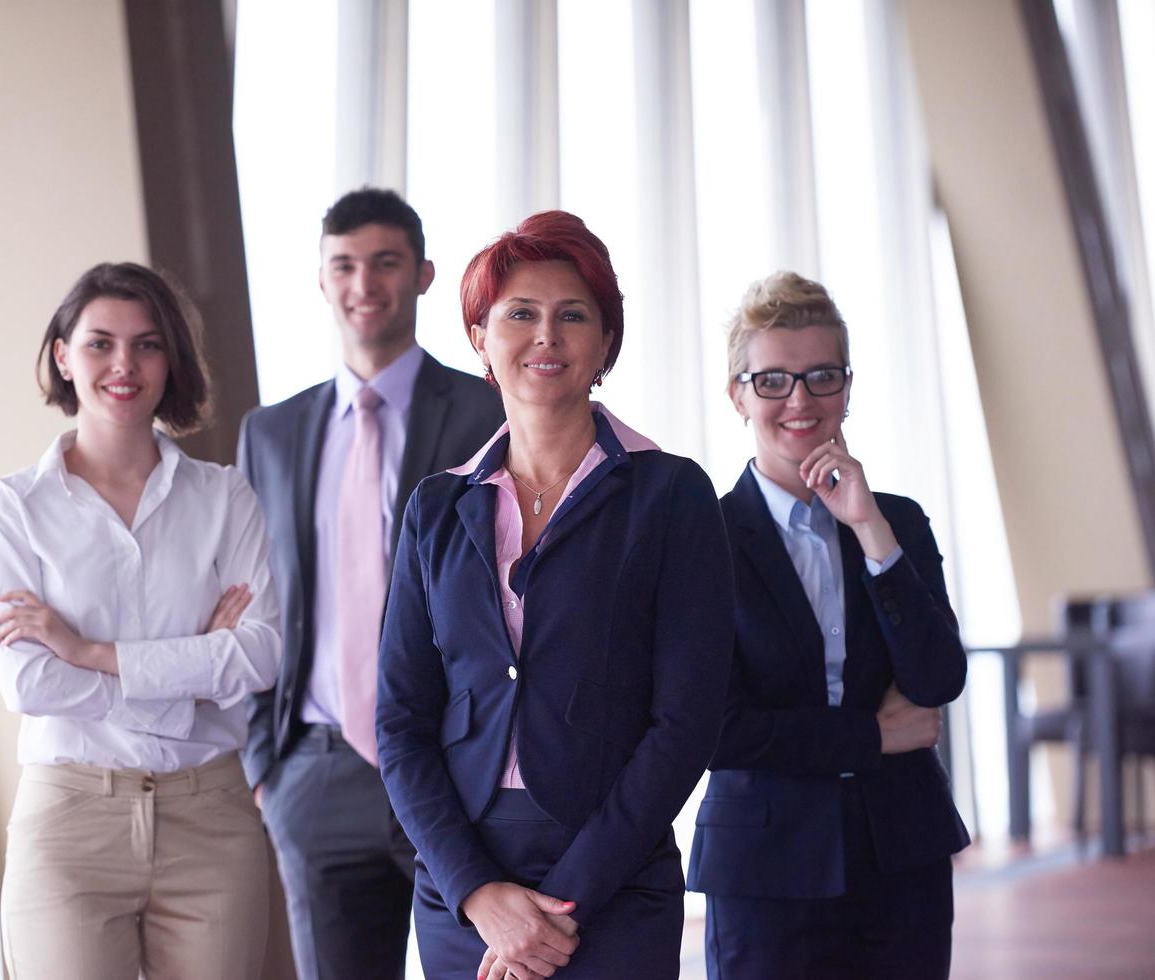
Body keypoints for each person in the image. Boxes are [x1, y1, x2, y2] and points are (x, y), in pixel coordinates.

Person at [376, 210, 735, 979]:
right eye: (519, 314)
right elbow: (400, 719)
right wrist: (477, 895)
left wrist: (558, 909)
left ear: (605, 343)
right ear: (479, 337)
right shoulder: (435, 507)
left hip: (613, 868)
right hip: (461, 872)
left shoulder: (670, 494)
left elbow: (686, 719)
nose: (546, 335)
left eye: (573, 315)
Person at [0, 262, 281, 979]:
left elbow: (261, 655)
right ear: (62, 355)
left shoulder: (225, 496)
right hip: (70, 820)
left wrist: (87, 649)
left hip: (210, 819)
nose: (124, 365)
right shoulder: (13, 508)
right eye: (99, 343)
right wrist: (195, 669)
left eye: (146, 344)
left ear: (169, 358)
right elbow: (31, 685)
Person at [237, 188, 504, 979]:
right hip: (313, 773)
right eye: (343, 265)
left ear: (422, 275)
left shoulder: (486, 410)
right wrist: (265, 767)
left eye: (385, 263)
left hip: (454, 763)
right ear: (321, 281)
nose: (363, 284)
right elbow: (258, 597)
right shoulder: (272, 433)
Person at [686, 271, 970, 979]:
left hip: (902, 850)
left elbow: (937, 677)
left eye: (821, 377)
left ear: (846, 385)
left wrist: (869, 529)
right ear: (737, 395)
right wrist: (873, 735)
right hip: (764, 865)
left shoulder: (895, 519)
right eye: (773, 381)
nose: (800, 401)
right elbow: (715, 729)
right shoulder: (701, 540)